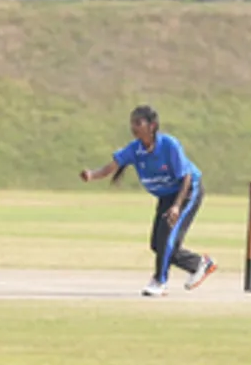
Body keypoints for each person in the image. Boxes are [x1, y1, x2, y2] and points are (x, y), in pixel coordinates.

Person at [80, 105, 217, 297]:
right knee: (157, 244)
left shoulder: (169, 145)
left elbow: (186, 177)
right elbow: (110, 167)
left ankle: (160, 281)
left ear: (151, 126)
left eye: (138, 123)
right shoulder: (134, 149)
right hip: (166, 195)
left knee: (168, 238)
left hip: (187, 192)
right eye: (132, 123)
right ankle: (199, 264)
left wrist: (177, 206)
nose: (133, 127)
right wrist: (91, 175)